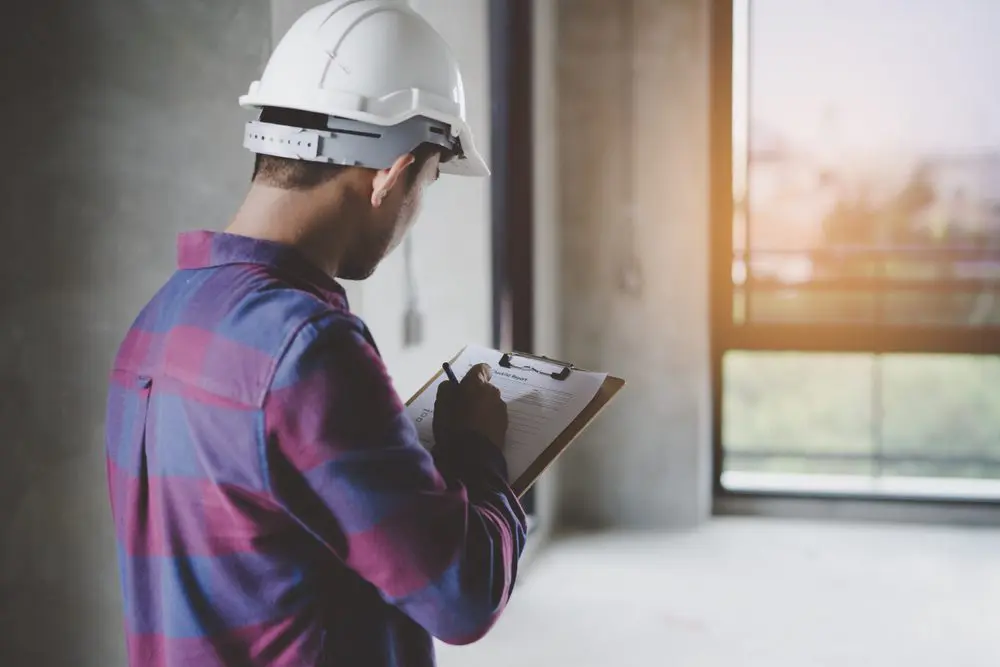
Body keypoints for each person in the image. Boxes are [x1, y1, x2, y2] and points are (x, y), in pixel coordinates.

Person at [103, 2, 527, 666]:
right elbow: (464, 593)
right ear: (394, 169)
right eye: (430, 180)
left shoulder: (157, 322)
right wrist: (479, 452)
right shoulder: (307, 350)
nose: (416, 209)